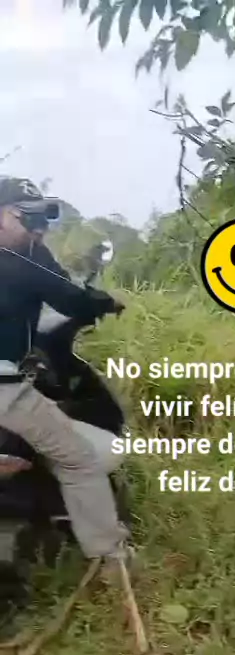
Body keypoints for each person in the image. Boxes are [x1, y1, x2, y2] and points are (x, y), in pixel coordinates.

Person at [0, 176, 129, 569]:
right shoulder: (22, 262)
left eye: (42, 222)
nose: (37, 230)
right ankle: (112, 560)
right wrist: (104, 302)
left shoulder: (27, 254)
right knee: (79, 460)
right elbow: (70, 298)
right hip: (3, 386)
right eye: (27, 219)